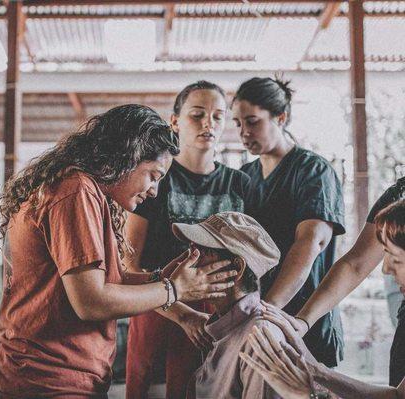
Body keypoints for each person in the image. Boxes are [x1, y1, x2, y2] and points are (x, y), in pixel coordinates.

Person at [0, 104, 237, 399]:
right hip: (47, 381)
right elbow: (91, 301)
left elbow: (105, 282)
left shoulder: (83, 190)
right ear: (127, 157)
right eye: (153, 175)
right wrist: (173, 289)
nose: (153, 190)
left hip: (45, 377)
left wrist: (165, 287)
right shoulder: (75, 191)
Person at [124, 81, 251, 399]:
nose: (209, 123)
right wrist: (181, 313)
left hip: (219, 315)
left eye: (218, 116)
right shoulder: (153, 179)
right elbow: (129, 263)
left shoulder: (240, 184)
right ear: (175, 121)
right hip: (160, 308)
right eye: (198, 115)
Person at [234, 76, 346, 367]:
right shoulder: (245, 177)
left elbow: (310, 243)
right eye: (238, 124)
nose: (244, 132)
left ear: (280, 117)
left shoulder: (313, 172)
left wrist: (267, 309)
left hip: (303, 321)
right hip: (257, 321)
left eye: (253, 121)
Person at [294, 175, 405, 385]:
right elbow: (355, 264)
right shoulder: (399, 194)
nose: (386, 268)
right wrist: (303, 321)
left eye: (396, 259)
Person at [171, 211, 283, 398]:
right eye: (191, 251)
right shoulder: (221, 328)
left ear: (237, 268)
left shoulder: (258, 341)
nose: (188, 263)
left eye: (202, 252)